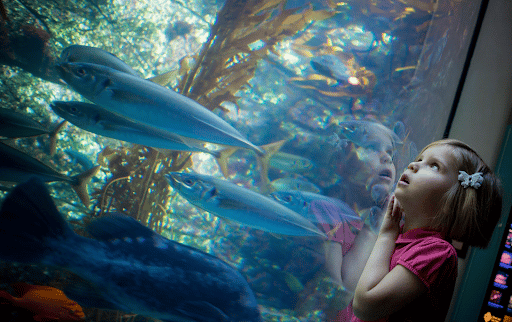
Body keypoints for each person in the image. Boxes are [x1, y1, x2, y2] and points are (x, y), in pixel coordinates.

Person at [342, 138, 502, 321]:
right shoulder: (401, 237)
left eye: (434, 166)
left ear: (455, 201)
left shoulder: (437, 251)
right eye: (419, 159)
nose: (413, 165)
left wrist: (386, 235)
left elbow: (364, 307)